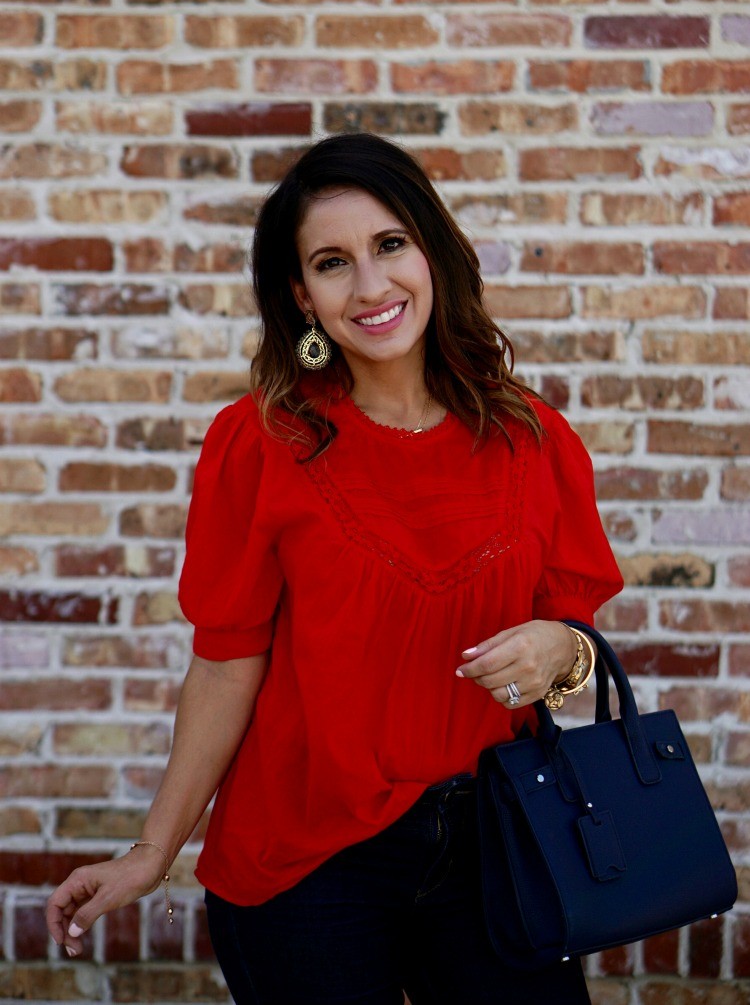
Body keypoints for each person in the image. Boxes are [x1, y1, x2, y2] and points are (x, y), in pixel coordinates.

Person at [46, 132, 624, 1004]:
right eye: (332, 262)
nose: (371, 285)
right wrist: (153, 850)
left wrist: (561, 651)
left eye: (390, 244)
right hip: (307, 863)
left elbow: (572, 640)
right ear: (302, 296)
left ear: (433, 250)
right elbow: (227, 660)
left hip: (494, 845)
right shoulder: (261, 441)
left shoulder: (532, 439)